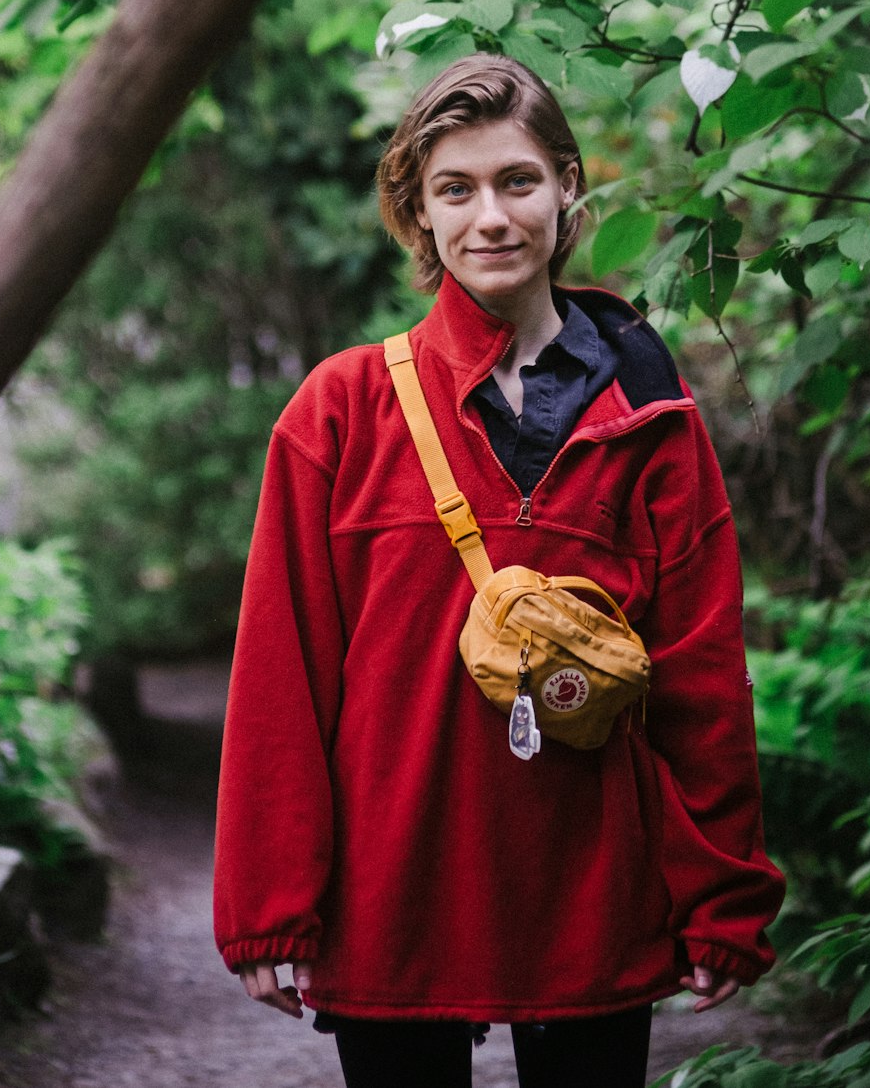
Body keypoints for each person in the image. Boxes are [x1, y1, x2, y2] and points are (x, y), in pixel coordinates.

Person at [213, 53, 785, 1088]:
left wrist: (720, 894)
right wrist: (270, 900)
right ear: (417, 211)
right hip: (389, 887)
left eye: (517, 180)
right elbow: (280, 673)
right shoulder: (341, 409)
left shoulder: (650, 418)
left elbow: (701, 673)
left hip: (587, 891)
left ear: (568, 186)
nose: (491, 216)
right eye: (455, 188)